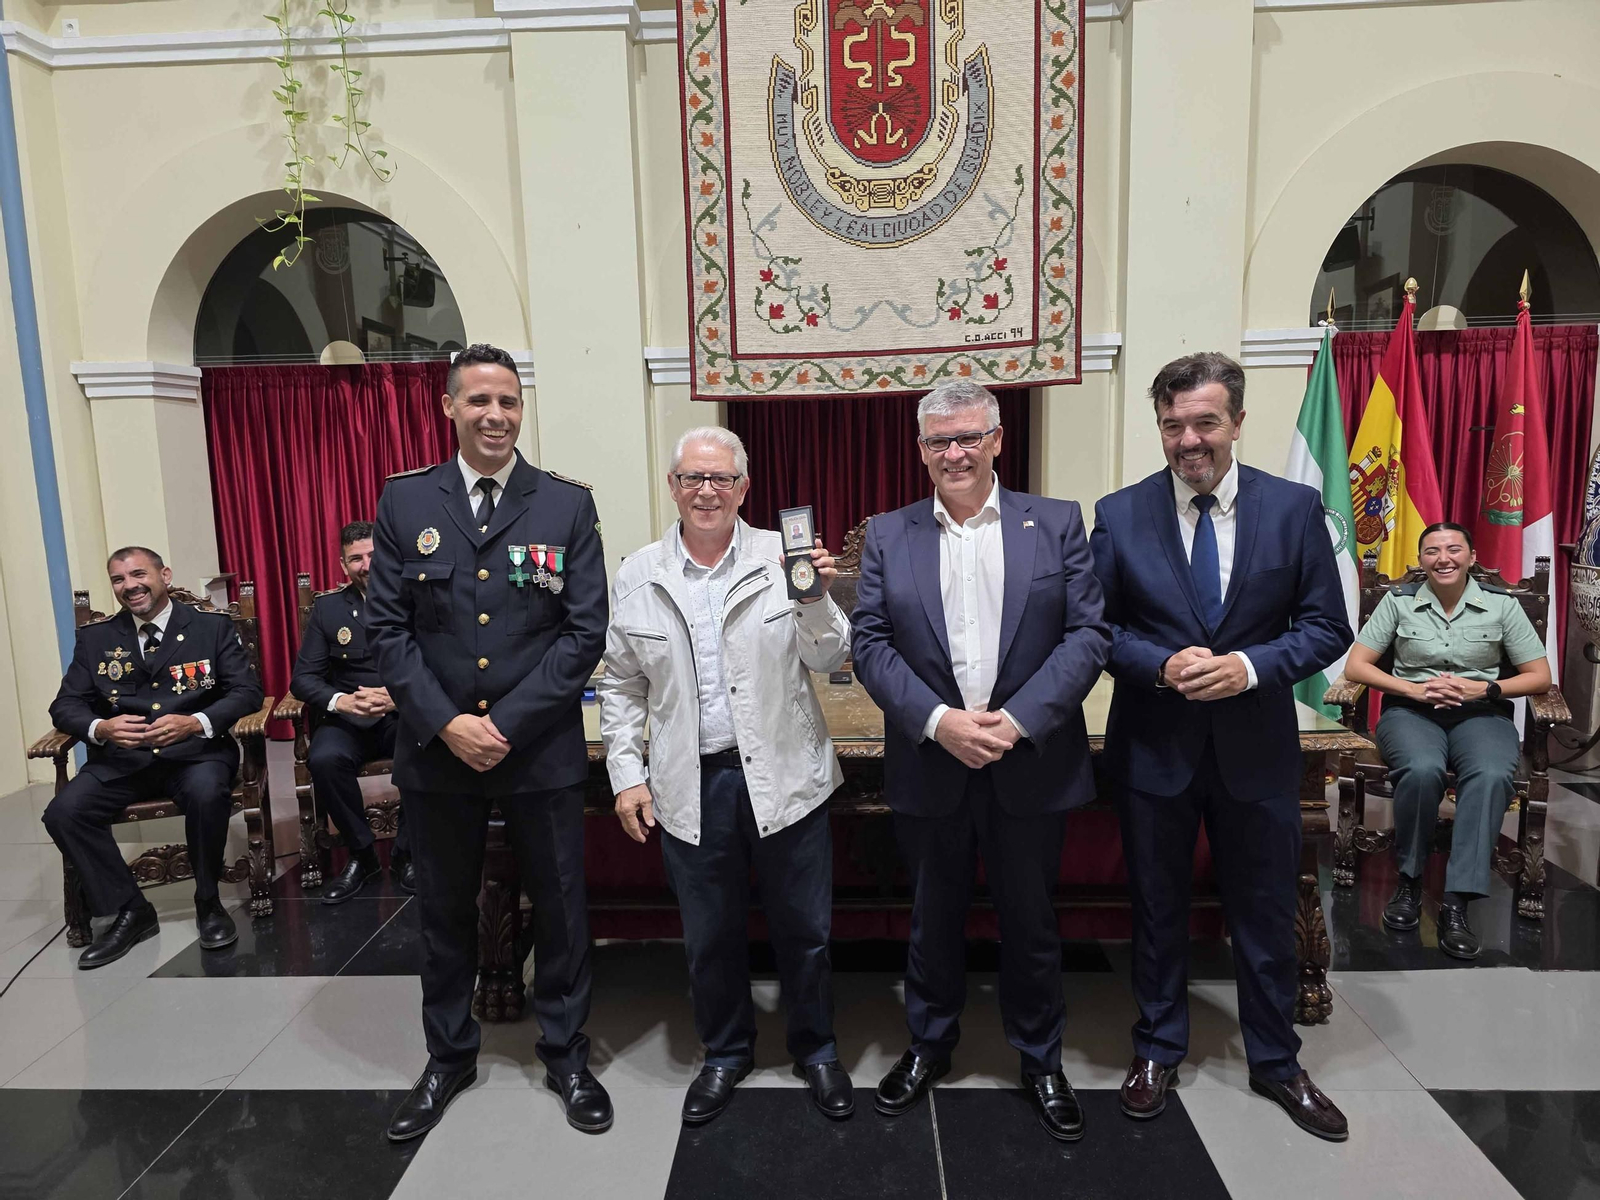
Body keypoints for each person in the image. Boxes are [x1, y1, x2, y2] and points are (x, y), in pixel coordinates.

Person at [1089, 352, 1353, 1142]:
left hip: (1258, 753)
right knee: (1159, 910)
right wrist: (1159, 665)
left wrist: (1246, 667)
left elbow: (1326, 627)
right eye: (1173, 425)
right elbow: (1098, 631)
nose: (1188, 440)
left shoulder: (1294, 509)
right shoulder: (1120, 512)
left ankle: (1276, 1060)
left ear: (1237, 422)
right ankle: (1159, 1047)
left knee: (1265, 913)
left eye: (1204, 422)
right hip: (1154, 752)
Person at [851, 380, 1110, 1142]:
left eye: (968, 437)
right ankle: (929, 1045)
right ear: (921, 450)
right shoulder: (890, 533)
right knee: (931, 919)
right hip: (932, 764)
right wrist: (938, 723)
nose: (954, 453)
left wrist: (1019, 721)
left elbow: (1088, 636)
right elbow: (870, 643)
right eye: (938, 441)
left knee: (1031, 921)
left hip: (1029, 762)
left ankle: (1041, 1059)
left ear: (999, 439)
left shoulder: (1056, 523)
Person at [367, 343, 611, 1141]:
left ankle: (567, 1053)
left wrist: (503, 724)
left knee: (564, 909)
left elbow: (583, 633)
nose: (496, 415)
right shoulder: (406, 504)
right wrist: (446, 722)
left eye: (508, 400)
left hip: (536, 749)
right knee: (442, 912)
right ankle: (448, 1056)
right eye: (479, 401)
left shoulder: (564, 505)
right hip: (438, 754)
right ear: (449, 407)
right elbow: (387, 631)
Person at [599, 427, 853, 1126]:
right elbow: (620, 685)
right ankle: (726, 1052)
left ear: (745, 488)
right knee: (709, 934)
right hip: (692, 783)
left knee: (805, 931)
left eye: (721, 479)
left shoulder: (785, 556)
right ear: (674, 488)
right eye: (692, 479)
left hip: (786, 777)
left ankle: (818, 1050)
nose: (706, 491)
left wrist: (817, 597)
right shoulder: (640, 573)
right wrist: (627, 773)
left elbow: (831, 655)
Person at [43, 546, 263, 967]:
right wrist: (100, 728)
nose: (130, 586)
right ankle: (131, 908)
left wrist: (196, 721)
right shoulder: (97, 638)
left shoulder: (210, 627)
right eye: (119, 580)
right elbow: (65, 705)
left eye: (138, 575)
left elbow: (247, 691)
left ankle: (208, 901)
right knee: (63, 812)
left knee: (205, 794)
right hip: (124, 761)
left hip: (195, 754)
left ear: (165, 574)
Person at [1342, 522, 1550, 960]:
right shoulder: (1399, 604)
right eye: (1432, 550)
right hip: (1411, 713)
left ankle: (1458, 900)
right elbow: (1357, 667)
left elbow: (1539, 677)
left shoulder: (1501, 606)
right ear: (1421, 561)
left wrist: (1485, 689)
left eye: (1454, 549)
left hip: (1481, 714)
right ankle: (1410, 882)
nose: (1444, 558)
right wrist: (1413, 689)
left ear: (1471, 557)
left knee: (1492, 773)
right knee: (1421, 770)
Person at [289, 520, 413, 903]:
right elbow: (303, 679)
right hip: (348, 718)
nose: (366, 565)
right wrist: (341, 701)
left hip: (402, 713)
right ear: (344, 566)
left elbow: (441, 664)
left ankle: (407, 852)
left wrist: (397, 696)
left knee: (428, 748)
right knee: (324, 760)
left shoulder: (416, 600)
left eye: (373, 556)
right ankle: (361, 854)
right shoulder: (328, 610)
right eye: (355, 559)